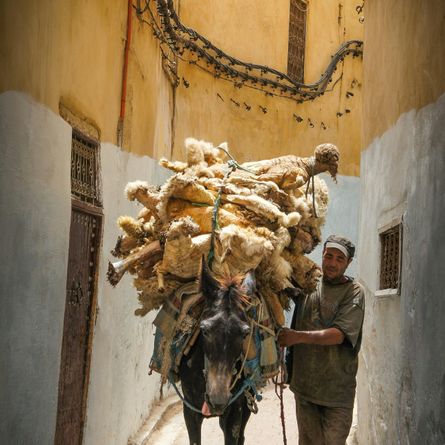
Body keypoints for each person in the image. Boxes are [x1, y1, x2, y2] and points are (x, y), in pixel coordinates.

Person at [278, 235, 365, 445]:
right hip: (305, 390)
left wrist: (296, 337)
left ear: (348, 263)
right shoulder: (309, 282)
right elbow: (279, 278)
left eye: (339, 259)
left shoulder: (354, 292)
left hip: (336, 395)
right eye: (329, 256)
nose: (332, 263)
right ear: (323, 255)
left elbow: (338, 335)